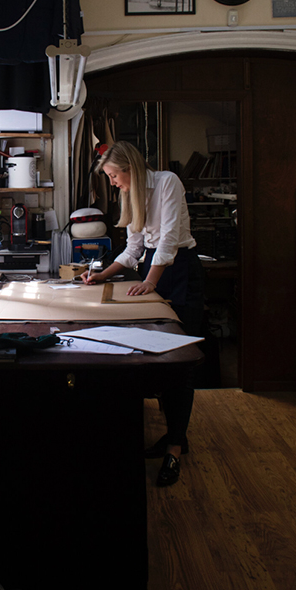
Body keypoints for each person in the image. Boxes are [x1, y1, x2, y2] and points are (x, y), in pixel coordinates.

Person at [82, 140, 204, 487]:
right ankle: (174, 436)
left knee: (180, 361)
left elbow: (167, 239)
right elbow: (135, 245)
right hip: (157, 269)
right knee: (159, 358)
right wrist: (102, 275)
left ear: (129, 168)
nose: (112, 183)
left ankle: (175, 449)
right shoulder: (130, 194)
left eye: (113, 175)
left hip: (178, 270)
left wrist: (151, 281)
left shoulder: (167, 182)